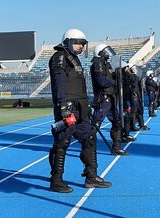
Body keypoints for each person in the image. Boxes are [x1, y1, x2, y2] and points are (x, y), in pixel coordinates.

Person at [47, 29, 112, 193]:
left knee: (90, 137)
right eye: (78, 43)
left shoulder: (74, 59)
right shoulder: (60, 57)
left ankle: (91, 176)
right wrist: (63, 106)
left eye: (83, 44)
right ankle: (56, 180)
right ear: (68, 42)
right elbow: (58, 83)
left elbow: (79, 86)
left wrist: (86, 106)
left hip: (81, 108)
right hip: (68, 108)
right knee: (62, 142)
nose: (81, 46)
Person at [90, 44, 132, 155]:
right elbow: (101, 81)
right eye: (106, 51)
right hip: (103, 98)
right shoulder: (97, 63)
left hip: (111, 96)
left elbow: (112, 77)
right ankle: (89, 148)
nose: (108, 54)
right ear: (100, 52)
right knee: (95, 124)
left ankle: (116, 147)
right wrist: (115, 82)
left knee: (117, 122)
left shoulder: (106, 64)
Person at [123, 64, 149, 132]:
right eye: (134, 68)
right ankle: (132, 126)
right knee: (134, 111)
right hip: (134, 95)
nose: (135, 70)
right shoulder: (129, 76)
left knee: (139, 110)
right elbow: (132, 85)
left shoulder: (134, 76)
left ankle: (141, 125)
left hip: (137, 94)